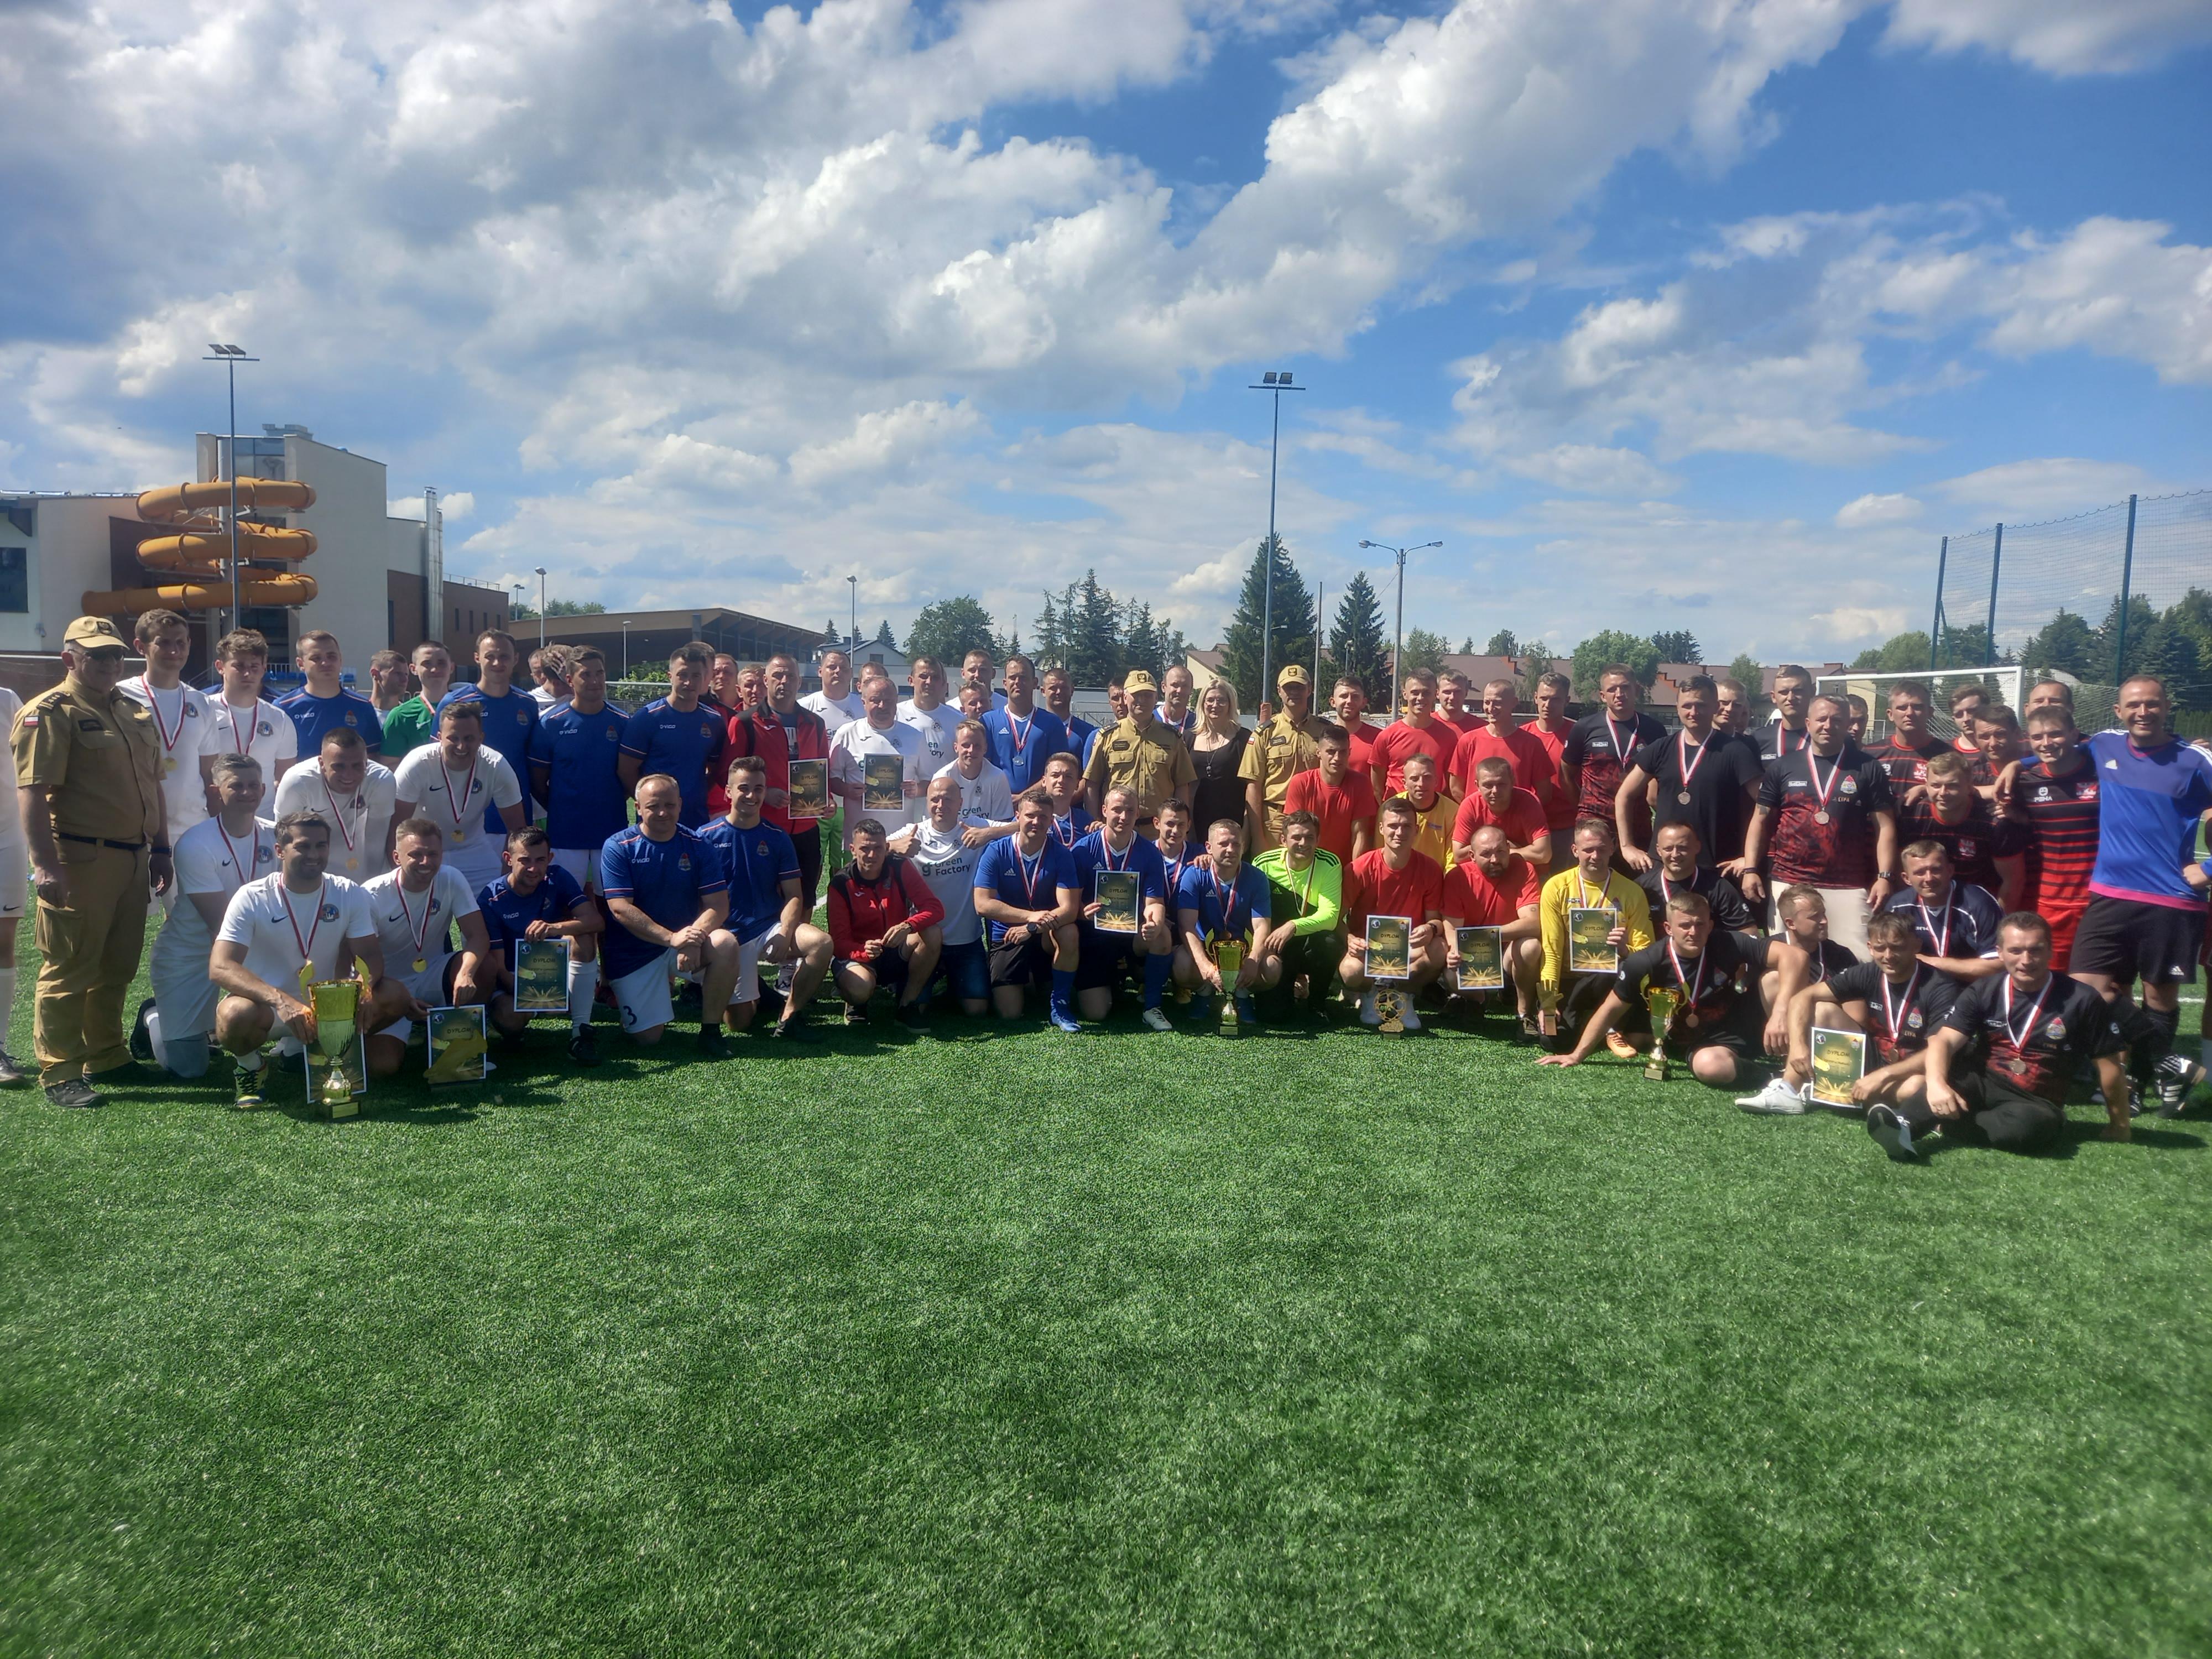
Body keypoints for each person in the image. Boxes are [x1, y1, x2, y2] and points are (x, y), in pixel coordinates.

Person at [14, 617, 170, 1107]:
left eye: (115, 655)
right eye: (97, 655)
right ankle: (60, 1070)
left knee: (117, 965)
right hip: (80, 857)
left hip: (133, 855)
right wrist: (45, 865)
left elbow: (154, 786)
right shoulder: (51, 712)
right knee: (70, 965)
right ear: (69, 659)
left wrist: (161, 848)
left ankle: (105, 1055)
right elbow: (32, 792)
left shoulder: (131, 709)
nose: (109, 663)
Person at [2062, 675, 2212, 1113]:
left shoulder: (2195, 760)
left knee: (2158, 998)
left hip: (2171, 900)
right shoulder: (2104, 745)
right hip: (2110, 894)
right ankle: (2171, 1065)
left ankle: (2138, 1086)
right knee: (2088, 990)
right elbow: (2053, 754)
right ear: (2118, 711)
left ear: (2167, 706)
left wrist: (2208, 869)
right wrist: (2016, 766)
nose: (2143, 712)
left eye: (2151, 704)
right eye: (2133, 705)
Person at [1869, 912, 2127, 1160]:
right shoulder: (1984, 990)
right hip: (1983, 1080)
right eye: (2015, 951)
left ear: (2051, 951)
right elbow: (1943, 1041)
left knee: (2028, 1129)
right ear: (2000, 953)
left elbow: (2108, 1064)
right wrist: (1936, 1085)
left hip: (2035, 1099)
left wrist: (2120, 1125)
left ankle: (1948, 1123)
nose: (2026, 960)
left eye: (2035, 950)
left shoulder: (2081, 999)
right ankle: (1903, 1125)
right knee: (1952, 1076)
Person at [1540, 891, 1806, 1088]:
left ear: (1710, 925)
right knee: (1711, 1068)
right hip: (1698, 1042)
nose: (1694, 932)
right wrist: (1577, 1055)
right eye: (1685, 925)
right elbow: (1610, 1008)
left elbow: (1796, 957)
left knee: (1774, 979)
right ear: (1668, 928)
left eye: (1700, 924)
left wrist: (1780, 1013)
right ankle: (1778, 1078)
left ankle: (1797, 1058)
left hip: (1740, 1023)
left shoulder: (1729, 941)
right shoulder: (1646, 961)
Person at [209, 810, 381, 1107]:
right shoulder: (251, 897)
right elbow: (220, 966)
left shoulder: (347, 892)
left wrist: (365, 989)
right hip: (268, 1007)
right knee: (234, 1015)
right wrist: (281, 1001)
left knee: (392, 996)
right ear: (280, 851)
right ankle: (251, 1067)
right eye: (303, 846)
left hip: (328, 1007)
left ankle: (302, 1052)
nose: (314, 854)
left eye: (321, 846)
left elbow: (370, 955)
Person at [138, 753, 276, 1080]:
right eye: (236, 786)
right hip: (193, 955)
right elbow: (220, 926)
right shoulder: (195, 843)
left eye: (253, 785)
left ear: (264, 789)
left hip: (252, 947)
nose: (247, 792)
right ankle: (154, 1017)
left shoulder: (277, 837)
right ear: (216, 792)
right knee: (190, 1069)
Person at [1739, 695, 1897, 954]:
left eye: (1837, 720)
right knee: (1790, 960)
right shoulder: (1783, 766)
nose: (1828, 725)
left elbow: (1886, 827)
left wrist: (1885, 876)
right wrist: (1750, 869)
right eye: (1822, 719)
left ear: (1847, 724)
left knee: (1858, 960)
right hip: (1790, 881)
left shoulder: (1868, 768)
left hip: (1847, 884)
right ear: (1808, 722)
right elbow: (1760, 820)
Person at [1756, 910, 1955, 1114]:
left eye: (1897, 948)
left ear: (1916, 946)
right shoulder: (1869, 972)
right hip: (1873, 1058)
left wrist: (1883, 1075)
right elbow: (1802, 997)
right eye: (1880, 948)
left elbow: (1941, 1048)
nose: (1888, 956)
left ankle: (1845, 1092)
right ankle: (1789, 1090)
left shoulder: (1940, 986)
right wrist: (1798, 1046)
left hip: (1912, 1070)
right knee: (1823, 1009)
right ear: (1870, 948)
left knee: (1918, 1086)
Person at [598, 774, 741, 1054]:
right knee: (648, 1038)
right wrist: (671, 938)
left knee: (725, 943)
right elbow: (620, 909)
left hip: (683, 944)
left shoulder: (698, 844)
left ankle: (710, 1031)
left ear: (680, 805)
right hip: (634, 954)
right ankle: (647, 994)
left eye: (670, 805)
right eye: (654, 806)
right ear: (638, 808)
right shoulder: (618, 847)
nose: (663, 812)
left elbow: (718, 905)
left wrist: (692, 939)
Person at [702, 757, 831, 1038]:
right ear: (728, 791)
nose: (752, 796)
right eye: (744, 788)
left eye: (758, 789)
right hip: (729, 938)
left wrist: (785, 931)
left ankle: (789, 1016)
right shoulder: (706, 837)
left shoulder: (777, 837)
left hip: (768, 928)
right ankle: (754, 990)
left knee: (821, 944)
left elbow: (794, 895)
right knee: (740, 1024)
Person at [358, 818, 495, 1079]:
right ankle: (404, 1025)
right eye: (416, 854)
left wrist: (465, 974)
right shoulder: (372, 894)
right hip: (389, 986)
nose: (426, 862)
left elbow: (478, 936)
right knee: (383, 1067)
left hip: (433, 973)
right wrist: (403, 1001)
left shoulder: (451, 878)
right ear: (397, 857)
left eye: (433, 854)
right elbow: (366, 961)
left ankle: (462, 1041)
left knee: (483, 966)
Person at [476, 826, 605, 1062]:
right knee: (509, 1019)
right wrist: (536, 997)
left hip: (554, 973)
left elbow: (595, 921)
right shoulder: (491, 899)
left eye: (540, 860)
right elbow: (499, 969)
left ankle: (581, 1034)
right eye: (525, 860)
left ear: (550, 859)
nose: (533, 868)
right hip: (513, 980)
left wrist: (554, 928)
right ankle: (520, 1023)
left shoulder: (557, 877)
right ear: (508, 859)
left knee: (584, 938)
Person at [1615, 673, 1760, 869]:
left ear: (1715, 707)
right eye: (1687, 706)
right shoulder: (1660, 748)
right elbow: (1624, 795)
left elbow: (1765, 803)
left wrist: (1749, 858)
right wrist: (1627, 846)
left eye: (1701, 705)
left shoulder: (1735, 751)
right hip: (1665, 865)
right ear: (1677, 708)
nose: (1694, 712)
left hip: (1716, 867)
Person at [724, 652, 834, 907]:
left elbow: (823, 771)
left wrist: (826, 800)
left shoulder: (815, 723)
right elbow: (727, 778)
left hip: (806, 829)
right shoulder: (744, 723)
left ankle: (798, 936)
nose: (784, 681)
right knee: (762, 900)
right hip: (762, 827)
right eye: (778, 675)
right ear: (766, 680)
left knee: (804, 899)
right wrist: (764, 795)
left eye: (791, 676)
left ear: (799, 682)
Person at [1538, 818, 1656, 1056]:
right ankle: (1592, 1022)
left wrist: (1625, 949)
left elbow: (1647, 952)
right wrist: (1548, 1001)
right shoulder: (1556, 887)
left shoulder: (1632, 892)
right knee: (1553, 1042)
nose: (1595, 856)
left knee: (1622, 966)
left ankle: (1613, 1027)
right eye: (1588, 850)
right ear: (1575, 850)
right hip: (1570, 979)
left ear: (1613, 848)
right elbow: (1551, 950)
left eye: (1602, 849)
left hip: (1611, 980)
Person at [1995, 703, 2098, 969]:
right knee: (2052, 977)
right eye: (2038, 737)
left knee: (2106, 982)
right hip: (2050, 900)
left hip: (2098, 899)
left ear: (2074, 734)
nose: (2046, 743)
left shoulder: (2102, 773)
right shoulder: (2026, 782)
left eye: (2055, 734)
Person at [392, 702, 529, 894]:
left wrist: (509, 878)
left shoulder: (496, 765)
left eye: (469, 738)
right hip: (424, 851)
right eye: (453, 738)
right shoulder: (417, 764)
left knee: (497, 900)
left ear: (481, 738)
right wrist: (398, 872)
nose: (461, 746)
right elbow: (395, 828)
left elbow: (517, 829)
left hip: (474, 849)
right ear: (439, 737)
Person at [973, 789, 1081, 1030]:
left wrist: (1031, 927)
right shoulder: (996, 851)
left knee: (1069, 932)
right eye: (1030, 815)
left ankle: (1060, 1004)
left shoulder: (1061, 854)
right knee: (1009, 1013)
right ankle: (1031, 980)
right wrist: (1030, 917)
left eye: (1043, 817)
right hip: (1008, 934)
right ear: (1018, 816)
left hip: (1044, 933)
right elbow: (982, 904)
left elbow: (1069, 909)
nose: (1036, 822)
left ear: (1051, 821)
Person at [527, 645, 630, 896]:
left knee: (614, 902)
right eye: (586, 674)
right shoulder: (551, 723)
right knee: (566, 902)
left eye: (600, 673)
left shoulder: (623, 722)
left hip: (611, 829)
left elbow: (630, 777)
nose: (595, 681)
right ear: (570, 680)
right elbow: (538, 781)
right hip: (566, 833)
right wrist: (562, 807)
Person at [1070, 786, 1176, 1028]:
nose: (1123, 817)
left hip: (1131, 932)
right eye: (1117, 810)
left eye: (1130, 811)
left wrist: (1154, 922)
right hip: (1094, 933)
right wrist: (1082, 912)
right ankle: (1110, 981)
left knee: (1161, 935)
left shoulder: (1150, 853)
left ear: (1138, 813)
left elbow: (1155, 902)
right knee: (1096, 1013)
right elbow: (1071, 904)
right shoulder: (1083, 850)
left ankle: (1152, 1007)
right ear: (1104, 810)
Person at [889, 775, 991, 1017]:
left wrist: (989, 833)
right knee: (920, 1008)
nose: (940, 805)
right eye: (935, 800)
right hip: (926, 939)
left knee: (977, 1010)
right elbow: (864, 850)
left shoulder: (975, 827)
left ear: (961, 803)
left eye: (948, 799)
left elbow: (1023, 825)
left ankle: (951, 981)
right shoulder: (914, 832)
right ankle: (930, 978)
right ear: (926, 803)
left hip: (966, 941)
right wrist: (893, 847)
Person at [1340, 797, 1446, 1028]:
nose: (1400, 832)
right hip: (1367, 949)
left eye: (1407, 826)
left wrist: (1430, 929)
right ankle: (1371, 993)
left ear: (1416, 830)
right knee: (1350, 971)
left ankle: (1404, 994)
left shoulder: (1430, 869)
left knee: (1439, 949)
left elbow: (1436, 921)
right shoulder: (1359, 868)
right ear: (1381, 828)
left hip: (1409, 949)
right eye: (1393, 826)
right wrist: (1350, 939)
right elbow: (1338, 920)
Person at [1172, 815, 1276, 1032]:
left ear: (1243, 846)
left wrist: (1253, 961)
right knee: (1181, 963)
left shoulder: (1257, 877)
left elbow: (1262, 927)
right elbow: (1187, 927)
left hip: (1243, 953)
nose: (1231, 849)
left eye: (1236, 844)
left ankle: (1242, 994)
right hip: (1207, 951)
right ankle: (1204, 990)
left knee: (1272, 967)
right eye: (1224, 844)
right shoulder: (1194, 875)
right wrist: (1206, 968)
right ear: (1209, 847)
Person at [118, 608, 211, 849]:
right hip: (138, 828)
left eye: (181, 643)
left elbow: (209, 772)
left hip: (194, 828)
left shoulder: (201, 702)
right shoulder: (120, 696)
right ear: (141, 647)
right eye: (164, 643)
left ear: (189, 645)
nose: (174, 651)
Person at [1439, 824, 1542, 1032]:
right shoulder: (1457, 877)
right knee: (1451, 971)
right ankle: (1479, 999)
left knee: (1531, 946)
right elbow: (1451, 928)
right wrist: (1453, 950)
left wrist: (1489, 936)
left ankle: (1524, 1014)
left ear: (1509, 848)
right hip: (1473, 956)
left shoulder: (1524, 869)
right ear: (1472, 856)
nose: (1495, 859)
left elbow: (1534, 923)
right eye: (1486, 854)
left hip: (1507, 954)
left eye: (1501, 852)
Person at [1895, 752, 2026, 907]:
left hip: (1979, 906)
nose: (1943, 793)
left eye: (1952, 786)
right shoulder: (1913, 815)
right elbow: (1903, 869)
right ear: (1926, 786)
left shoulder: (1994, 823)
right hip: (1927, 905)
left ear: (1970, 786)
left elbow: (2013, 881)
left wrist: (1999, 920)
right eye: (1936, 786)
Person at [1562, 665, 1665, 862]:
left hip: (1637, 824)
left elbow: (1658, 779)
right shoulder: (1584, 728)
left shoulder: (1654, 730)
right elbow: (1566, 773)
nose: (1619, 694)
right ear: (1603, 696)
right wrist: (1585, 806)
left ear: (1636, 690)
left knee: (1640, 879)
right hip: (1594, 823)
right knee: (1592, 877)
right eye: (1612, 689)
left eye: (1625, 687)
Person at [1250, 809, 1343, 1024]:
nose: (1303, 843)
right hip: (1276, 944)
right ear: (1283, 840)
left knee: (1330, 942)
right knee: (1273, 1017)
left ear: (1318, 840)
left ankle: (1317, 1004)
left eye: (1310, 837)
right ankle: (1289, 989)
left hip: (1311, 941)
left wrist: (1293, 925)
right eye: (1297, 837)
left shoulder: (1330, 863)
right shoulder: (1263, 864)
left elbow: (1330, 916)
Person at [440, 629, 540, 826]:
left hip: (515, 812)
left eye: (504, 657)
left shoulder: (527, 703)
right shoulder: (454, 702)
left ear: (515, 659)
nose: (497, 663)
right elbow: (439, 756)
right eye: (490, 656)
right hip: (466, 816)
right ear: (477, 658)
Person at [618, 644, 724, 828]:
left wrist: (694, 794)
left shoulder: (714, 721)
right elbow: (626, 770)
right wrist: (650, 800)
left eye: (696, 676)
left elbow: (716, 770)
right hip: (655, 821)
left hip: (695, 818)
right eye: (683, 675)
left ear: (705, 679)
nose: (689, 682)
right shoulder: (648, 718)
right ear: (670, 676)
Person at [273, 728, 398, 881]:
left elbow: (376, 842)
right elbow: (284, 841)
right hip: (310, 863)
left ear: (367, 762)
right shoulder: (297, 782)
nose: (348, 775)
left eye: (357, 766)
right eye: (339, 766)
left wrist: (371, 884)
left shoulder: (381, 780)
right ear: (322, 763)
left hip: (357, 866)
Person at [1085, 670, 1198, 837]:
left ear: (1156, 698)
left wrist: (1179, 825)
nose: (1142, 700)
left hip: (1159, 832)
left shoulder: (1172, 738)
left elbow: (1182, 785)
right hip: (1117, 829)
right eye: (1136, 695)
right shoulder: (1108, 736)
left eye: (1147, 695)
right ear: (1125, 698)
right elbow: (1092, 783)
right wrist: (1095, 820)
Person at [1240, 665, 1332, 850]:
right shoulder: (1265, 733)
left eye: (1299, 687)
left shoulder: (1325, 730)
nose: (1294, 692)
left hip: (1316, 818)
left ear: (1310, 689)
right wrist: (1258, 838)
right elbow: (1253, 786)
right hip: (1275, 821)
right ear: (1279, 691)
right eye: (1289, 687)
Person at [200, 628, 299, 799]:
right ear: (220, 667)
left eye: (254, 667)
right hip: (216, 813)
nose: (248, 673)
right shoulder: (204, 711)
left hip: (264, 814)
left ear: (264, 669)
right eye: (239, 666)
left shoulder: (279, 719)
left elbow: (285, 780)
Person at [828, 671, 928, 840]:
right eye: (876, 700)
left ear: (896, 702)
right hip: (859, 838)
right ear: (864, 703)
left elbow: (930, 781)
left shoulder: (915, 736)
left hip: (901, 836)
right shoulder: (846, 734)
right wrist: (847, 790)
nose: (882, 706)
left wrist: (917, 789)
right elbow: (831, 779)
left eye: (888, 701)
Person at [1449, 678, 1556, 814]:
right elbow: (1456, 788)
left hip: (1517, 824)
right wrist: (1477, 813)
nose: (1491, 708)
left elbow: (1544, 793)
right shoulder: (1468, 740)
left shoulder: (1531, 744)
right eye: (1487, 702)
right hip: (1478, 824)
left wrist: (1520, 816)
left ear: (1514, 703)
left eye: (1497, 703)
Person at [276, 629, 385, 758]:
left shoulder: (363, 706)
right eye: (316, 658)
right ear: (301, 664)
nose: (325, 663)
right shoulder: (284, 709)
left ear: (340, 659)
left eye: (331, 656)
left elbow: (373, 757)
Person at [1633, 822, 1754, 934]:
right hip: (1658, 950)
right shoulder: (1642, 888)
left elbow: (1748, 933)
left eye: (1683, 848)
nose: (1675, 855)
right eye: (1668, 849)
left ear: (1697, 847)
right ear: (1658, 850)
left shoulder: (1717, 887)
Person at [1282, 724, 1376, 867]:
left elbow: (1359, 835)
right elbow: (1295, 833)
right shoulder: (1301, 783)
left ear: (1349, 752)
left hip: (1344, 866)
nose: (1337, 758)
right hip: (1308, 865)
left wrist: (1354, 873)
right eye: (1331, 752)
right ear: (1318, 752)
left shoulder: (1361, 783)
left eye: (1343, 752)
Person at [981, 655, 1070, 795]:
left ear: (1035, 683)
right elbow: (983, 768)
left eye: (1023, 678)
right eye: (1013, 678)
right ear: (1005, 683)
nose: (1017, 682)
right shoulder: (988, 721)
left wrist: (1024, 797)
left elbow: (1058, 771)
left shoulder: (1053, 723)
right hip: (998, 801)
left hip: (1039, 803)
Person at [1452, 757, 1551, 874]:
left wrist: (1501, 851)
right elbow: (1459, 855)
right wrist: (1504, 848)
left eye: (1501, 784)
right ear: (1477, 786)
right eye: (1488, 785)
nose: (1495, 791)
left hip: (1525, 871)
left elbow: (1544, 854)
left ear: (1513, 782)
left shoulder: (1528, 802)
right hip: (1486, 872)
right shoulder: (1470, 806)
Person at [1369, 668, 1455, 800]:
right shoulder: (1387, 736)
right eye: (1415, 693)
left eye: (1426, 693)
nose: (1420, 698)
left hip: (1433, 810)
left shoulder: (1448, 736)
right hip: (1396, 810)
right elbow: (1377, 788)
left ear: (1436, 694)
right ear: (1405, 694)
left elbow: (1451, 784)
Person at [1185, 680, 1251, 847]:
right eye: (1210, 700)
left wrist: (1247, 829)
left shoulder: (1243, 738)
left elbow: (1251, 787)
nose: (1215, 705)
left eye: (1221, 700)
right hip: (1196, 825)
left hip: (1233, 825)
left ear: (1230, 704)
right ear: (1203, 704)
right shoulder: (1188, 738)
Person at [1768, 884, 1861, 992]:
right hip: (1776, 1002)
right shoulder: (1767, 951)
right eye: (1815, 916)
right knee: (1772, 979)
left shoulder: (1841, 956)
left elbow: (1857, 999)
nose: (1824, 921)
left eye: (1823, 914)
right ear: (1791, 924)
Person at [935, 718, 1015, 841]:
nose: (971, 751)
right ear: (956, 747)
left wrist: (985, 835)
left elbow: (1003, 824)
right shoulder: (943, 777)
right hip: (951, 842)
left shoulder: (998, 777)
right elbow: (935, 823)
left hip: (988, 843)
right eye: (966, 745)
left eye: (977, 746)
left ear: (985, 748)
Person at [1524, 670, 1579, 845]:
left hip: (1568, 826)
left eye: (1555, 699)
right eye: (1544, 698)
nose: (1548, 705)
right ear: (1535, 698)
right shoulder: (1522, 736)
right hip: (1529, 825)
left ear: (1567, 701)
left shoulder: (1580, 735)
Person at [377, 641, 452, 764]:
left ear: (452, 668)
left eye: (442, 663)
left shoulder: (466, 708)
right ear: (414, 669)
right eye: (427, 664)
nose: (435, 670)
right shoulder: (400, 716)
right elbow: (389, 764)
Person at [1869, 680, 1948, 789]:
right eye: (1902, 708)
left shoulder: (1947, 755)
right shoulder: (1870, 754)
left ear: (1930, 713)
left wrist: (1925, 790)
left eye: (1917, 707)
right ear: (1890, 714)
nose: (1910, 713)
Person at [1396, 751, 1459, 871]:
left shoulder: (1452, 811)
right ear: (1405, 783)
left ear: (1436, 781)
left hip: (1436, 877)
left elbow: (1452, 859)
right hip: (1401, 875)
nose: (1421, 784)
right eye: (1414, 779)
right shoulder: (1391, 809)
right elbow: (1382, 852)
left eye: (1427, 778)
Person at [898, 655, 963, 763]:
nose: (929, 682)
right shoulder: (896, 714)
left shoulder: (958, 721)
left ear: (943, 683)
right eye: (923, 676)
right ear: (911, 681)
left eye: (935, 678)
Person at [1758, 664, 1814, 761]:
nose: (1791, 698)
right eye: (1784, 692)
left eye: (1798, 691)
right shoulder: (1758, 739)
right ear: (1774, 697)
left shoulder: (1828, 738)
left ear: (1813, 692)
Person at [1040, 667, 1096, 764]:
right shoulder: (1036, 727)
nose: (1059, 692)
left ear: (1072, 691)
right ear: (1043, 691)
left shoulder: (1087, 732)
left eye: (1064, 688)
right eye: (1053, 688)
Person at [1040, 751, 1093, 849]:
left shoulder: (1086, 821)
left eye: (1068, 777)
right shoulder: (1031, 817)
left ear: (1077, 784)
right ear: (1044, 781)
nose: (1061, 781)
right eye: (1055, 775)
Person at [801, 646, 867, 726]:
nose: (838, 671)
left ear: (851, 673)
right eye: (832, 667)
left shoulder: (864, 707)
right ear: (820, 672)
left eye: (843, 668)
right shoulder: (804, 707)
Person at [1329, 677, 1378, 777]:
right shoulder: (1322, 737)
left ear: (1363, 702)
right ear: (1333, 702)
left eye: (1355, 697)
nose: (1349, 701)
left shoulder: (1379, 738)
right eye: (1344, 696)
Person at [367, 648, 414, 720]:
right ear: (375, 674)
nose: (404, 680)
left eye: (406, 674)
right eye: (398, 673)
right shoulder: (360, 714)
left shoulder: (410, 715)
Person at [526, 646, 572, 715]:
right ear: (557, 684)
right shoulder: (529, 701)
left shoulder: (581, 697)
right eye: (538, 672)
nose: (543, 676)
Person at [960, 648, 1008, 712]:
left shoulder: (1007, 706)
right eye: (972, 670)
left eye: (983, 670)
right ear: (963, 674)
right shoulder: (952, 708)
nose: (977, 675)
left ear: (993, 673)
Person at [1159, 664, 1198, 738]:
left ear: (1191, 690)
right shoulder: (1150, 719)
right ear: (1164, 687)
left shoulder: (1198, 724)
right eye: (1175, 685)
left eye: (1185, 686)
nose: (1179, 691)